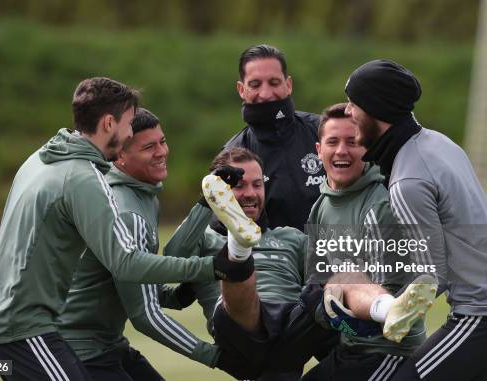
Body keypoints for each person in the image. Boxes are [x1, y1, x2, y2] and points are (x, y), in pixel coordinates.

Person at [0, 78, 253, 381]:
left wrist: (202, 210)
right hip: (23, 326)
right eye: (129, 124)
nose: (130, 132)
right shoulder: (84, 179)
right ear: (109, 123)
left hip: (37, 326)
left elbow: (136, 278)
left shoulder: (44, 158)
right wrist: (214, 268)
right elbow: (126, 264)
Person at [165, 147, 433, 380]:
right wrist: (204, 203)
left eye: (257, 184)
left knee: (342, 276)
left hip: (292, 329)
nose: (249, 193)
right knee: (236, 276)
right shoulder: (204, 240)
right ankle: (239, 245)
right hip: (240, 330)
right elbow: (171, 257)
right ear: (218, 194)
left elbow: (332, 283)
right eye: (238, 185)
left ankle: (388, 309)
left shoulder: (290, 238)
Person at [343, 59, 487, 380]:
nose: (348, 112)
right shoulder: (438, 142)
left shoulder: (408, 180)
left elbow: (430, 276)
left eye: (354, 103)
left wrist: (376, 305)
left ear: (376, 108)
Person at [58, 108, 241, 380]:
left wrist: (175, 296)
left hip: (107, 344)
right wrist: (214, 356)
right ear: (120, 154)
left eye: (163, 142)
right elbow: (145, 316)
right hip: (82, 353)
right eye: (149, 147)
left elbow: (139, 284)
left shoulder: (143, 195)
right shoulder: (127, 212)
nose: (162, 152)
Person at [301, 103, 430, 381]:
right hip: (351, 346)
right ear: (318, 150)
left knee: (346, 277)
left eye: (353, 142)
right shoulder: (320, 206)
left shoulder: (380, 204)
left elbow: (394, 299)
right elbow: (315, 284)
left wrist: (334, 313)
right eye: (333, 142)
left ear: (367, 148)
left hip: (389, 351)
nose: (342, 151)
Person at [224, 44, 326, 231]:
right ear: (241, 89)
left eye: (274, 83)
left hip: (333, 255)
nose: (265, 94)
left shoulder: (324, 133)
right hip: (274, 258)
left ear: (288, 85)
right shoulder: (233, 155)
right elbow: (225, 230)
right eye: (255, 85)